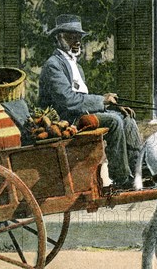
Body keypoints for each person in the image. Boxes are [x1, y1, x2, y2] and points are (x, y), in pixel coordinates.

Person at [39, 14, 141, 189]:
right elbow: (68, 101)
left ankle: (137, 171)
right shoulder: (53, 65)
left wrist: (110, 102)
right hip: (65, 121)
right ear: (59, 38)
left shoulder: (75, 65)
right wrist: (102, 100)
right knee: (114, 121)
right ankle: (121, 178)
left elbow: (81, 97)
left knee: (127, 119)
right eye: (72, 37)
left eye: (79, 37)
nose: (77, 41)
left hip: (81, 115)